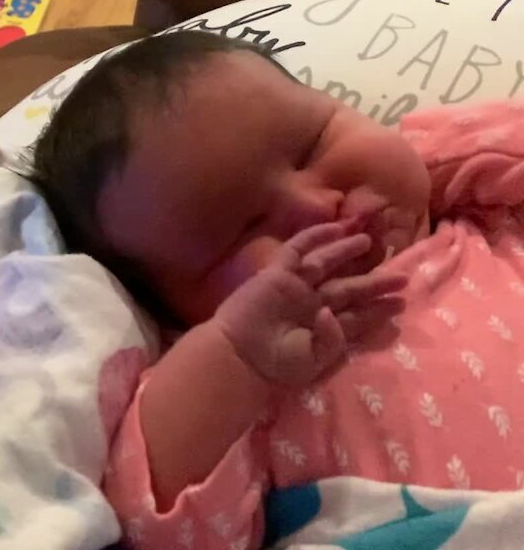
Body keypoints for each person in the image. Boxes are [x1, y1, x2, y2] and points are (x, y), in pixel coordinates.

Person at [31, 31, 524, 549]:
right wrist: (234, 356)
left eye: (312, 146)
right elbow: (158, 527)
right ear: (171, 311)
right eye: (238, 230)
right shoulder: (245, 393)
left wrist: (429, 156)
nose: (315, 205)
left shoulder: (489, 218)